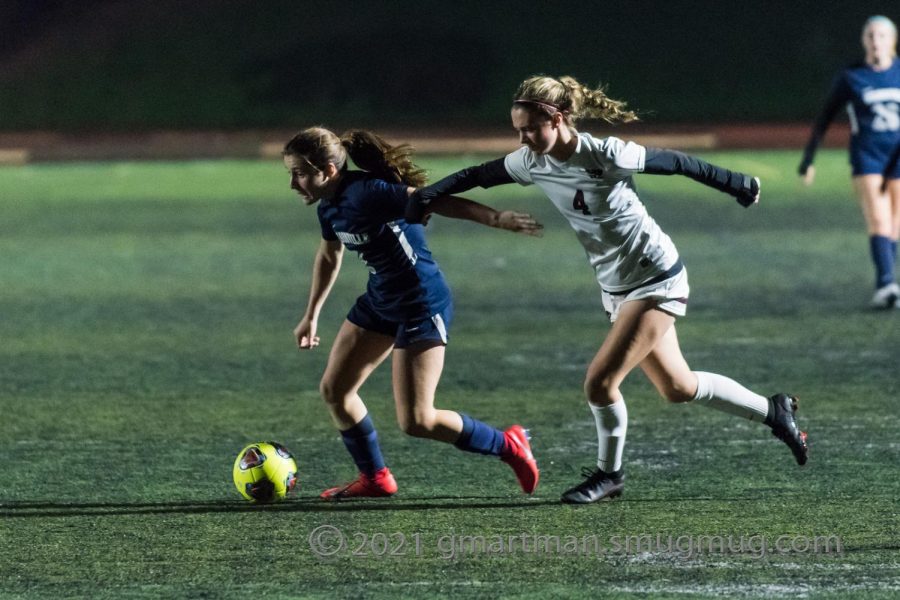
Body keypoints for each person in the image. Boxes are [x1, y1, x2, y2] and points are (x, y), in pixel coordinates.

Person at [405, 75, 809, 505]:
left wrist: (736, 183)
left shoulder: (604, 152)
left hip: (655, 278)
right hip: (616, 287)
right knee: (677, 387)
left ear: (557, 119)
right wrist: (427, 196)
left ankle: (609, 475)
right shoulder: (531, 160)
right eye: (517, 130)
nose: (522, 138)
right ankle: (774, 410)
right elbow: (477, 175)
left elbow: (675, 162)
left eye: (529, 128)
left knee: (599, 383)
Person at [284, 127, 543, 500]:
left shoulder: (368, 193)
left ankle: (508, 443)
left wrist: (495, 217)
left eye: (300, 173)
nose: (294, 183)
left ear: (328, 168)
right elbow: (329, 255)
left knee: (418, 420)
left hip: (420, 304)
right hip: (380, 301)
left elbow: (431, 200)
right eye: (291, 173)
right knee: (335, 390)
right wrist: (312, 314)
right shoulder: (329, 206)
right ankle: (375, 478)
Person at [799, 15, 900, 309]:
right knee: (878, 219)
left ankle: (888, 279)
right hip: (868, 156)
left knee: (895, 224)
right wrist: (808, 159)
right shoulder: (852, 76)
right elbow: (825, 118)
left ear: (892, 41)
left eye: (882, 35)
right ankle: (886, 284)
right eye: (870, 35)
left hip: (898, 157)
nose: (875, 41)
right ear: (863, 41)